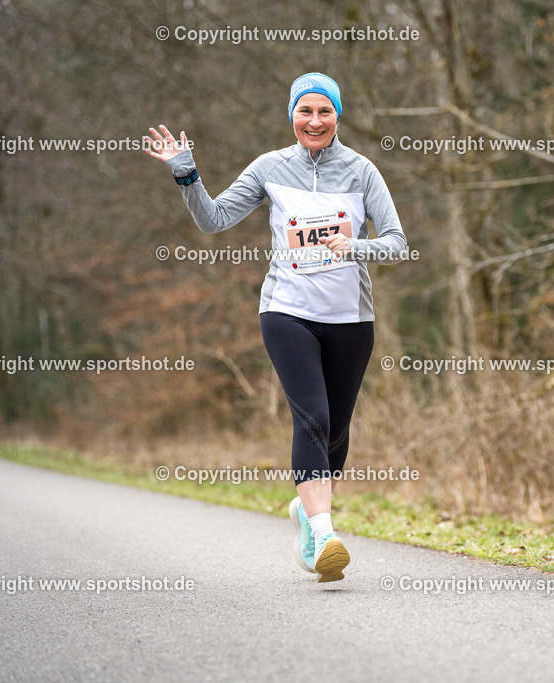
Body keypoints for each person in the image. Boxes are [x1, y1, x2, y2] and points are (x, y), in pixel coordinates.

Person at [145, 73, 407, 583]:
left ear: (337, 117)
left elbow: (397, 242)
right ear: (292, 115)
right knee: (312, 418)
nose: (315, 121)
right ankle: (326, 535)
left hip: (351, 319)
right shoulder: (270, 167)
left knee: (336, 433)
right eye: (305, 111)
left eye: (325, 111)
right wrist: (186, 175)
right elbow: (213, 220)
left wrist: (355, 247)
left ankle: (307, 517)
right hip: (286, 312)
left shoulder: (362, 171)